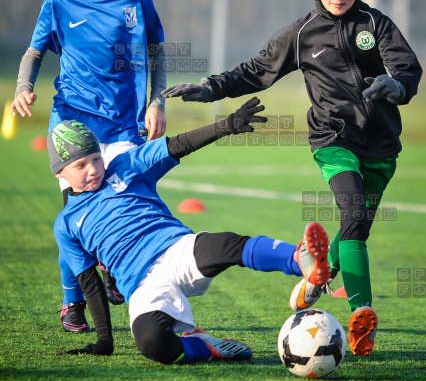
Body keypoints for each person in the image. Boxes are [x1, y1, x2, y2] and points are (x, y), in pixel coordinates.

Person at [162, 0, 423, 357]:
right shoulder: (301, 34)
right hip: (333, 140)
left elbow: (407, 69)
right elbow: (253, 71)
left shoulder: (377, 25)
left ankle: (315, 279)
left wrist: (394, 85)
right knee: (353, 211)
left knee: (357, 228)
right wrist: (209, 88)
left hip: (382, 146)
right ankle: (362, 317)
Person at [48, 98, 331, 363]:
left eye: (96, 159)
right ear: (60, 172)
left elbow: (177, 144)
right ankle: (204, 346)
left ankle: (298, 260)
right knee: (154, 345)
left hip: (174, 249)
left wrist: (225, 126)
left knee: (226, 245)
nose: (94, 169)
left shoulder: (125, 166)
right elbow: (90, 283)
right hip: (141, 286)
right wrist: (104, 340)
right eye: (80, 165)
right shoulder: (66, 223)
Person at [10, 0, 167, 332]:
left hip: (124, 123)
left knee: (124, 204)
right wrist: (23, 87)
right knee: (78, 217)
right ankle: (71, 302)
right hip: (72, 122)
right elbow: (33, 53)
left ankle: (116, 270)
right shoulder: (58, 3)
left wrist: (158, 102)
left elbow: (156, 54)